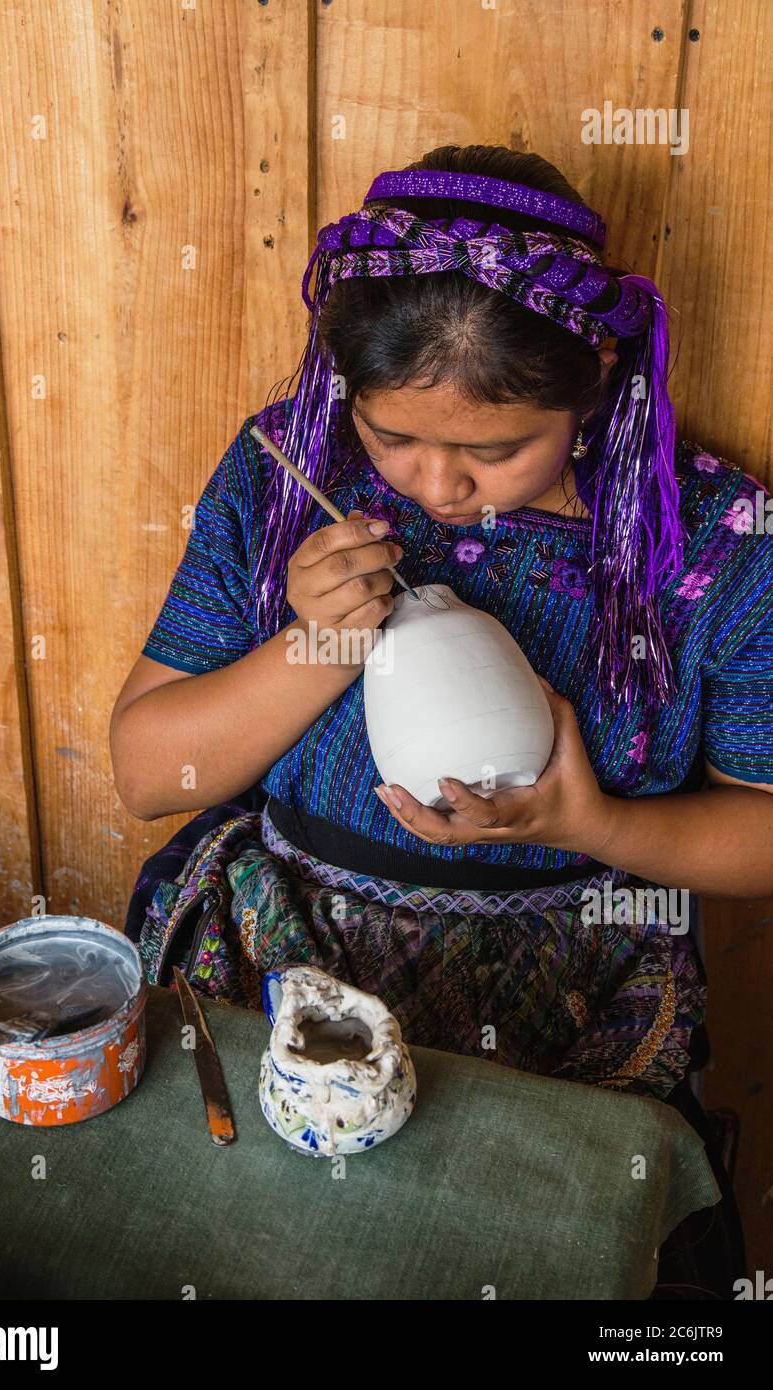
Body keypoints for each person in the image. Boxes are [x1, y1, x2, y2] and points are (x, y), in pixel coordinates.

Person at [111, 145, 772, 1296]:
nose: (435, 488)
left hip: (573, 991)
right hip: (283, 962)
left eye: (494, 449)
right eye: (391, 438)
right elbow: (147, 770)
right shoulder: (284, 476)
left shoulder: (707, 540)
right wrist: (317, 645)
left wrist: (598, 825)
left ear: (595, 373)